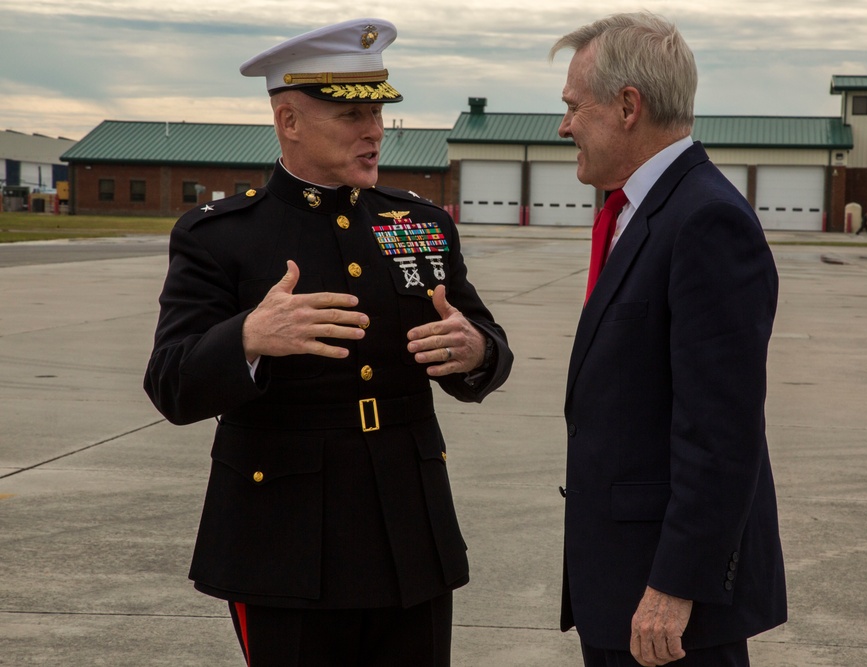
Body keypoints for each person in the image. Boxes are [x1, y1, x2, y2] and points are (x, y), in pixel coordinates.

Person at [143, 18, 512, 667]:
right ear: (288, 120)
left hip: (409, 534)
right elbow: (172, 380)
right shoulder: (222, 237)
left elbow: (484, 340)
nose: (372, 131)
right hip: (286, 546)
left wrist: (477, 350)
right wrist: (250, 337)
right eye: (350, 113)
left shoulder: (417, 224)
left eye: (377, 111)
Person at [550, 13, 786, 667]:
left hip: (667, 610)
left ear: (628, 106)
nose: (564, 125)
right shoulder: (638, 210)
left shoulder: (705, 220)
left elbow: (721, 430)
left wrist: (675, 584)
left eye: (573, 106)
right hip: (622, 583)